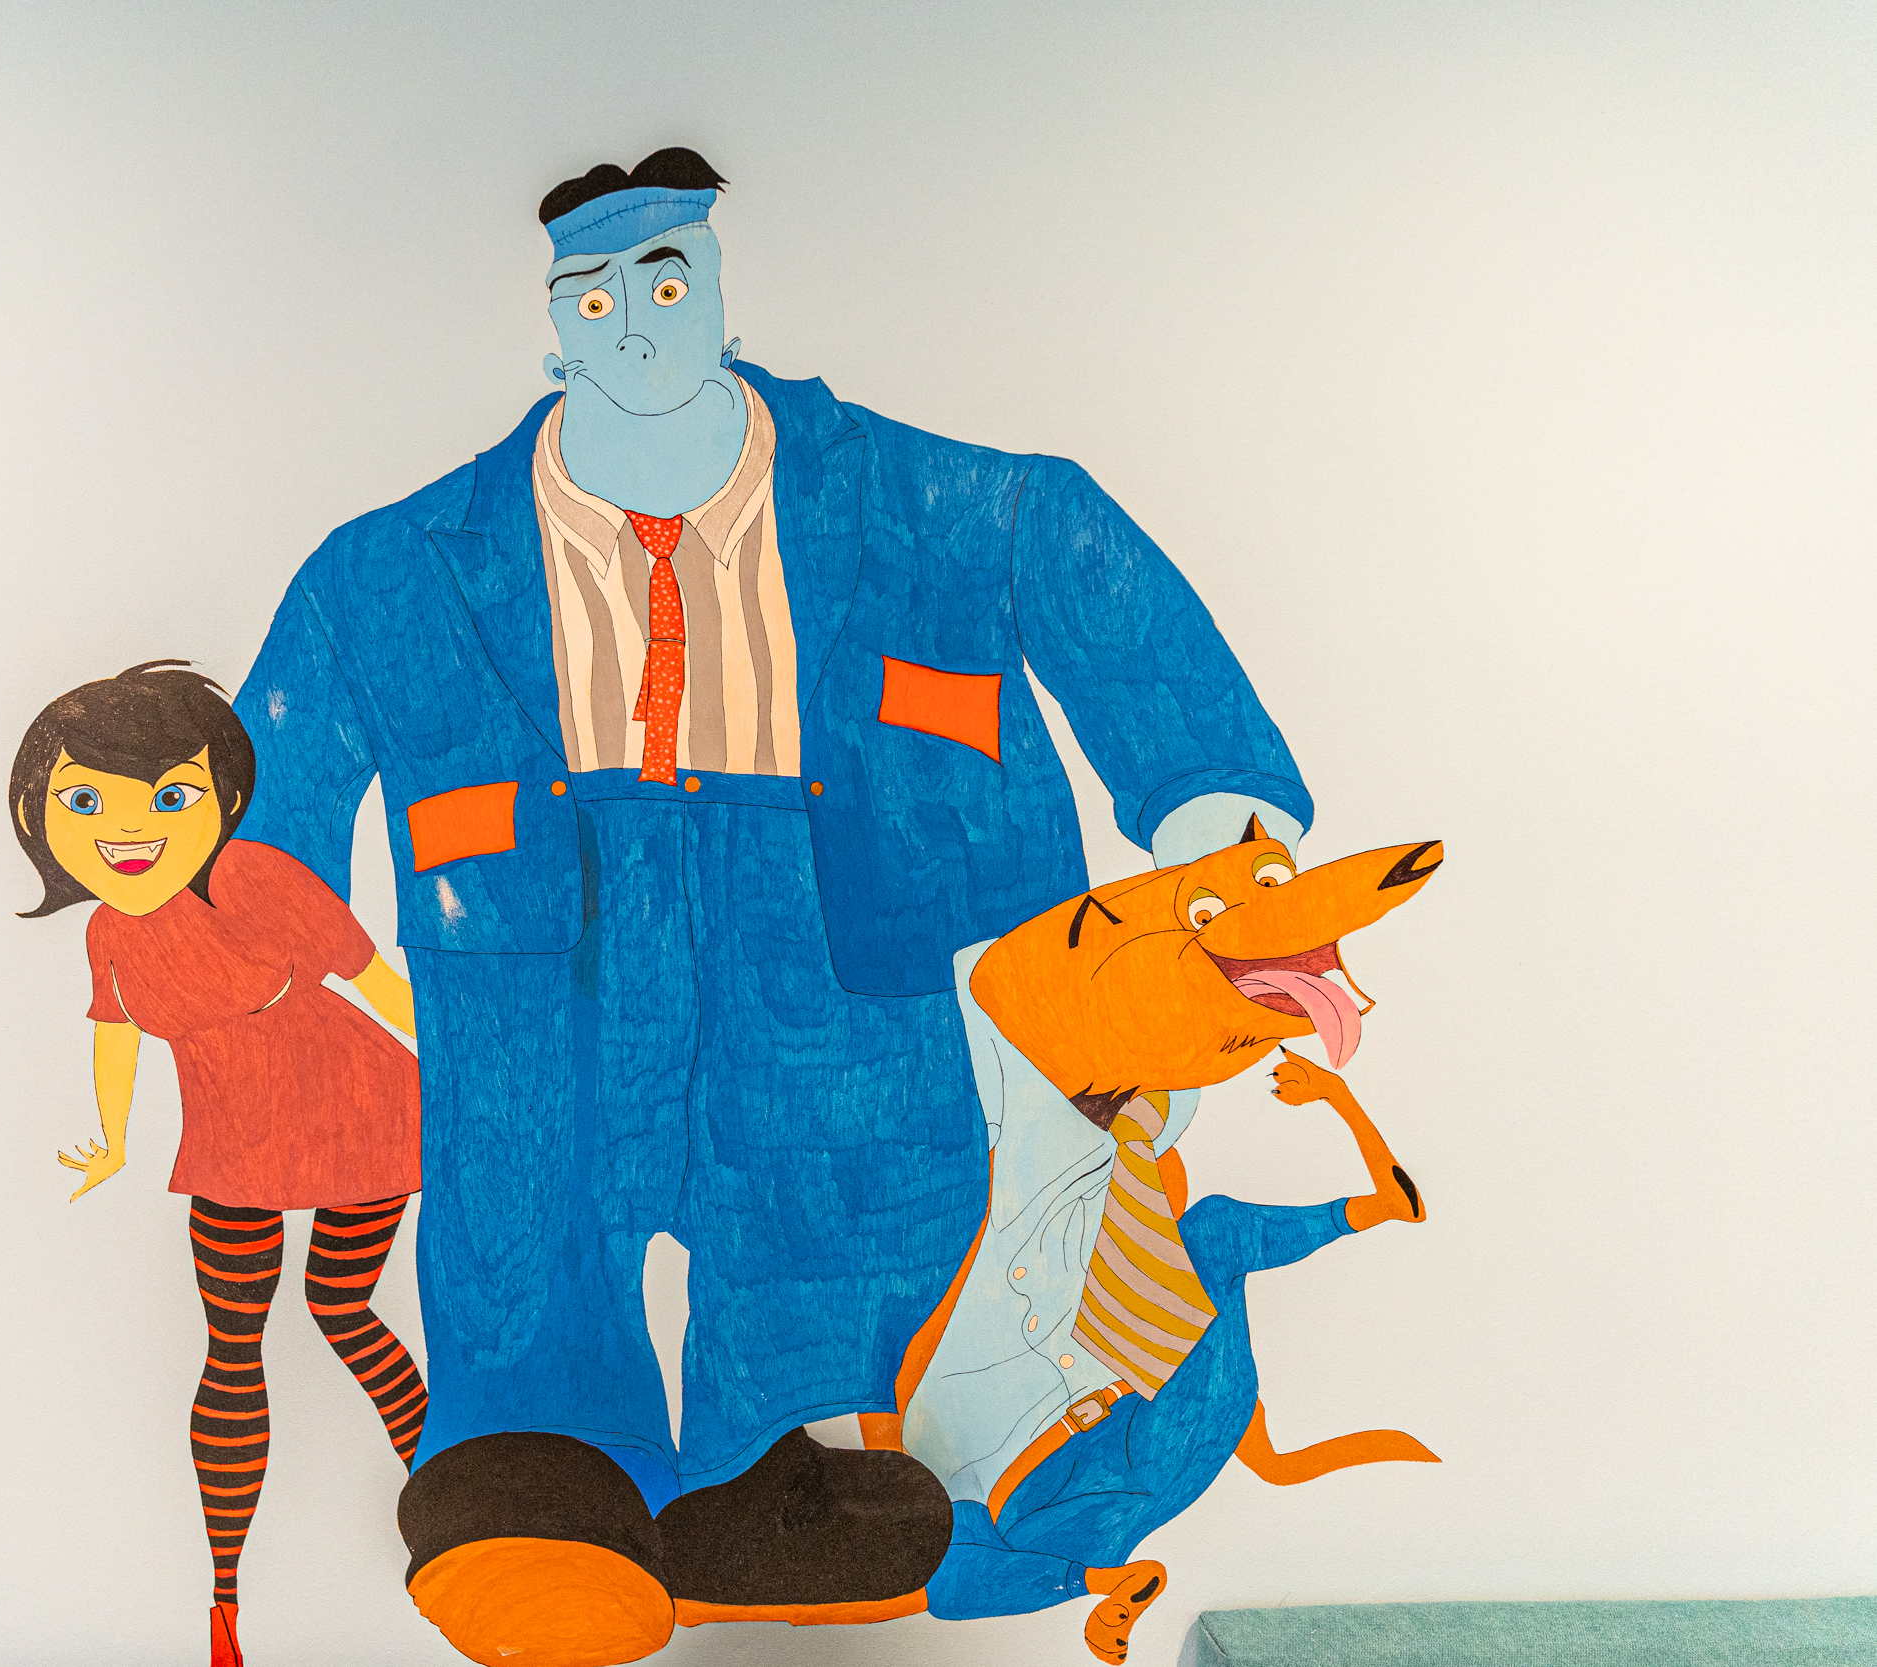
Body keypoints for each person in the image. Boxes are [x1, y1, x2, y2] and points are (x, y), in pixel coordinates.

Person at [233, 149, 1314, 1663]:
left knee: (838, 1232)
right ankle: (540, 1493)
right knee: (533, 1238)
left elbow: (1168, 696)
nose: (632, 322)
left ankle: (781, 1479)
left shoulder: (961, 511)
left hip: (854, 986)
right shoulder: (392, 572)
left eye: (666, 280)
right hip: (538, 985)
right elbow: (257, 832)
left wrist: (1207, 896)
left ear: (722, 295)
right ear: (551, 327)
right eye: (591, 296)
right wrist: (273, 1018)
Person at [8, 660, 426, 1667]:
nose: (128, 829)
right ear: (41, 817)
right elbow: (116, 1033)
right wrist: (112, 1137)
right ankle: (224, 1596)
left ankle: (447, 1484)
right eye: (85, 802)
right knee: (230, 1343)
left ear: (222, 799)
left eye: (168, 797)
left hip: (357, 1111)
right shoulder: (110, 932)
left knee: (339, 1306)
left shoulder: (260, 878)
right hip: (233, 1138)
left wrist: (470, 1084)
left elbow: (377, 983)